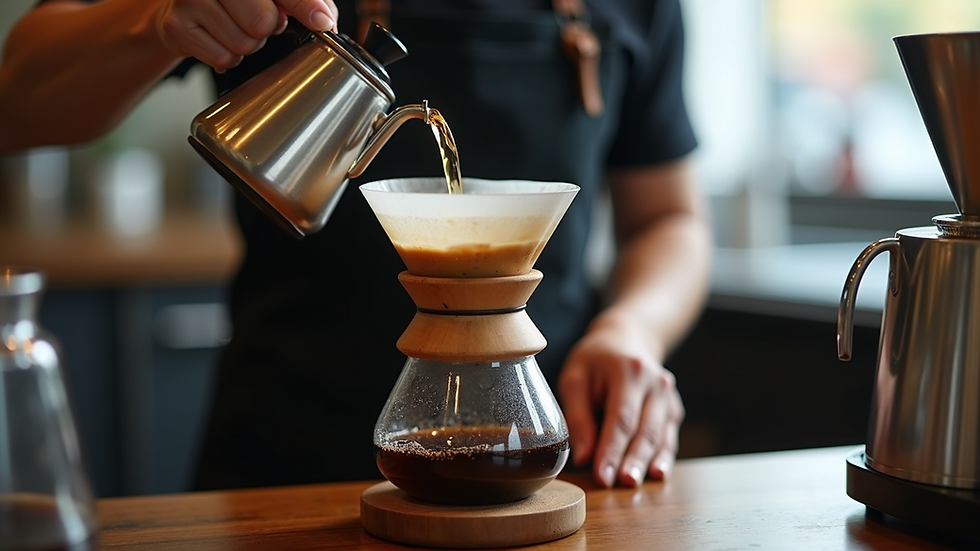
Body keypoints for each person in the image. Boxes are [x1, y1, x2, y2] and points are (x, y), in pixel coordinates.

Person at [0, 0, 711, 490]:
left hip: (543, 445)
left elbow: (668, 218)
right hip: (286, 454)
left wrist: (630, 330)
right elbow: (18, 96)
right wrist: (153, 18)